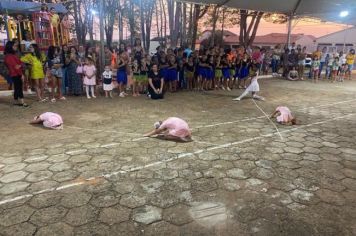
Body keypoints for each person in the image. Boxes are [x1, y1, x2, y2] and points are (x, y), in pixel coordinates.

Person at [4, 41, 28, 107]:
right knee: (19, 87)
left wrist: (20, 65)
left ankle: (16, 101)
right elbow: (16, 66)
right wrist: (21, 74)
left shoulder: (11, 55)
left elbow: (20, 64)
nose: (16, 47)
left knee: (17, 87)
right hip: (15, 74)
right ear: (10, 47)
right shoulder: (9, 56)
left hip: (15, 73)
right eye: (14, 46)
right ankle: (22, 102)